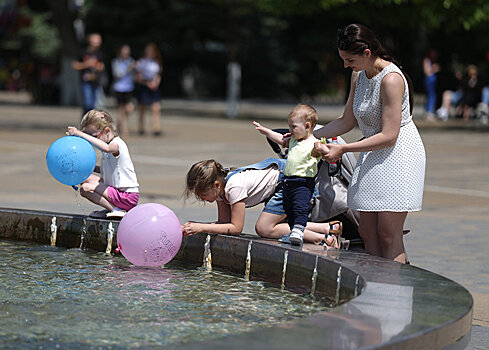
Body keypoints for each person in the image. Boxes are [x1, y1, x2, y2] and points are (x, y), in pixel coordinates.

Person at [313, 24, 426, 263]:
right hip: (372, 152)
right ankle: (375, 289)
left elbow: (389, 135)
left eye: (350, 60)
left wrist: (343, 148)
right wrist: (308, 136)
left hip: (399, 156)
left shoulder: (392, 79)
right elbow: (346, 121)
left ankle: (395, 294)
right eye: (343, 59)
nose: (345, 65)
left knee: (388, 232)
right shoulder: (359, 74)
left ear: (367, 53)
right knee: (367, 232)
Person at [181, 158, 342, 247]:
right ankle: (328, 228)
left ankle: (322, 239)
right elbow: (224, 223)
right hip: (283, 183)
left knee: (264, 228)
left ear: (216, 185)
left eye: (202, 194)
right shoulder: (220, 191)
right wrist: (197, 227)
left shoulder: (234, 187)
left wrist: (201, 227)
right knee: (266, 227)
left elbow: (236, 228)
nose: (201, 199)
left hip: (291, 183)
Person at [252, 104, 336, 246]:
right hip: (288, 181)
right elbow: (279, 139)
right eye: (289, 126)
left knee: (299, 208)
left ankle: (298, 231)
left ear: (307, 126)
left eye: (293, 127)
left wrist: (323, 149)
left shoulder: (314, 143)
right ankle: (292, 231)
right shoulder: (293, 141)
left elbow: (327, 153)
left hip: (303, 183)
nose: (290, 130)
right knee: (288, 209)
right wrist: (265, 131)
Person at [67, 109, 139, 219]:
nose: (92, 141)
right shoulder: (108, 146)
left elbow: (107, 148)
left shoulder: (116, 145)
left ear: (107, 131)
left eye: (94, 137)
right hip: (116, 192)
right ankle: (112, 208)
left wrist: (79, 133)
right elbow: (107, 170)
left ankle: (116, 209)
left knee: (85, 188)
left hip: (127, 197)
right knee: (85, 179)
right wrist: (85, 169)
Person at [72, 33, 105, 115]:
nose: (99, 42)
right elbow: (75, 65)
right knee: (88, 103)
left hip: (96, 81)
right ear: (90, 41)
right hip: (85, 81)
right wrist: (87, 64)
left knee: (93, 105)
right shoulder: (83, 52)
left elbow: (102, 66)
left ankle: (88, 122)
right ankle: (85, 121)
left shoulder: (100, 53)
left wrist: (99, 67)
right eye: (97, 40)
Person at [135, 43, 162, 136]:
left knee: (156, 107)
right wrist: (147, 83)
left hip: (154, 85)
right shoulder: (141, 62)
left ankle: (156, 128)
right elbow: (138, 76)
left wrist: (156, 82)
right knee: (142, 107)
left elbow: (158, 74)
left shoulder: (156, 62)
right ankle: (141, 127)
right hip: (144, 85)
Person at [111, 44, 136, 137]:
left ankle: (119, 123)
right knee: (121, 109)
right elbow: (118, 74)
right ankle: (124, 129)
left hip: (129, 87)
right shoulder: (116, 62)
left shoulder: (131, 60)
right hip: (119, 87)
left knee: (129, 108)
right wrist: (129, 68)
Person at [423, 48, 440, 121]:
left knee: (433, 95)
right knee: (431, 95)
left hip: (433, 79)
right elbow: (427, 71)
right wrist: (433, 69)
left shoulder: (433, 61)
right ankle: (429, 112)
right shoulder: (427, 60)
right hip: (429, 79)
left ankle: (431, 110)